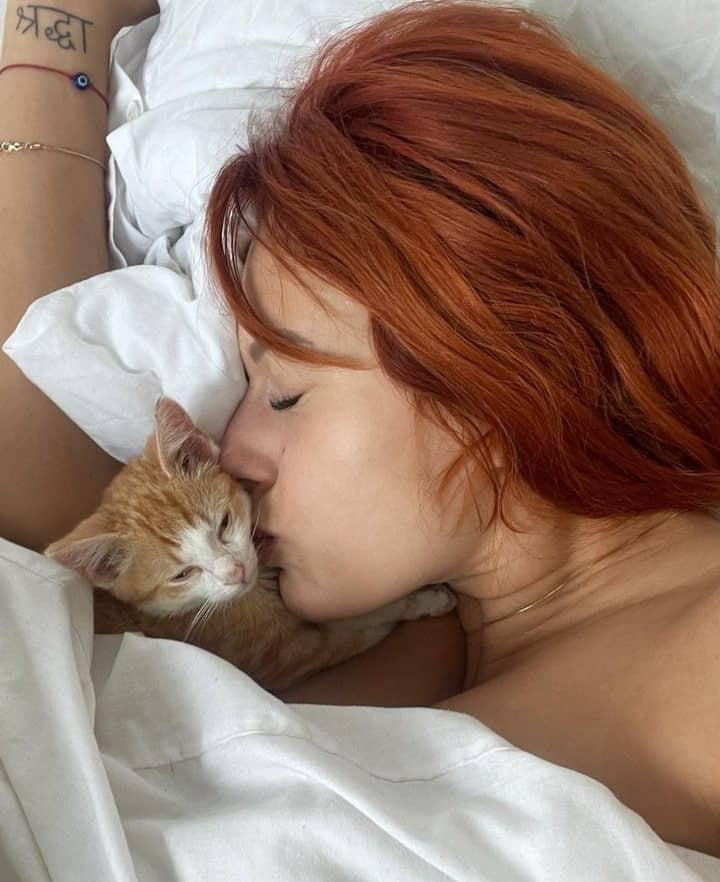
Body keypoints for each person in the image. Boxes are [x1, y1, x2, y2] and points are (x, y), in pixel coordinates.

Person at [1, 0, 718, 857]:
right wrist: (54, 40)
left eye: (285, 394)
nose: (234, 455)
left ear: (497, 357)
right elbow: (43, 473)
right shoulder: (426, 652)